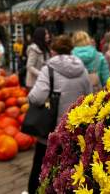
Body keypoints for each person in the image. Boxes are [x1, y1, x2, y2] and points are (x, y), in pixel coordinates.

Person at [26, 35, 92, 194]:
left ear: (53, 50)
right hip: (75, 127)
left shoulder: (48, 69)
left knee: (41, 163)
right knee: (69, 164)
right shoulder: (82, 69)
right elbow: (89, 96)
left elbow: (37, 97)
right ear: (70, 49)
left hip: (51, 129)